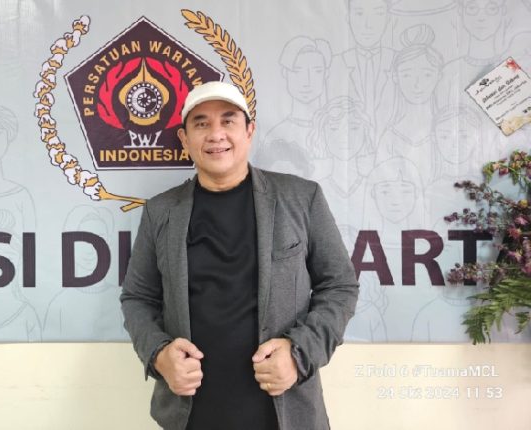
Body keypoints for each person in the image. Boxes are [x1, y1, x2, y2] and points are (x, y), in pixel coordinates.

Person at [120, 81, 359, 430]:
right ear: (184, 139)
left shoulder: (301, 198)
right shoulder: (161, 211)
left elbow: (339, 286)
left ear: (249, 131)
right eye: (201, 123)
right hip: (192, 417)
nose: (216, 134)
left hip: (286, 414)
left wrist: (299, 354)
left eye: (228, 120)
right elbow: (138, 298)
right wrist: (158, 354)